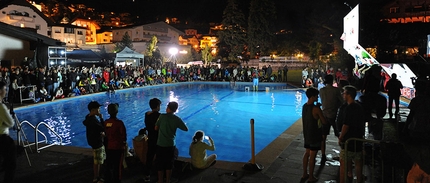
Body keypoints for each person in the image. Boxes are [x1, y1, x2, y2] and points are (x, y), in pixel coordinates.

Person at [155, 102, 188, 183]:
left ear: (168, 108)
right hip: (170, 144)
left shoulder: (162, 116)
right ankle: (168, 180)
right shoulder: (177, 119)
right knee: (169, 164)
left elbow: (156, 128)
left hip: (160, 144)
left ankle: (160, 180)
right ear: (175, 109)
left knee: (160, 164)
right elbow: (185, 129)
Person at [338, 86, 365, 183]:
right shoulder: (359, 106)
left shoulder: (349, 108)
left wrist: (341, 137)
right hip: (358, 139)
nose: (343, 95)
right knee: (358, 163)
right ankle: (359, 180)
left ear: (349, 95)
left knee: (343, 163)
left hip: (348, 140)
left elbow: (346, 125)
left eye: (344, 93)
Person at [301, 88, 326, 183]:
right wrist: (321, 111)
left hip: (307, 134)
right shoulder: (316, 109)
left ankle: (304, 173)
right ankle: (311, 176)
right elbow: (324, 121)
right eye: (317, 96)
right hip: (315, 135)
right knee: (313, 156)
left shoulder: (304, 106)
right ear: (313, 96)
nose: (318, 97)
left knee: (307, 153)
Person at [319, 75, 343, 162]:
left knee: (323, 137)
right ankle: (342, 154)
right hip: (333, 115)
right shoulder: (336, 90)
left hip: (324, 115)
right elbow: (342, 102)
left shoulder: (321, 90)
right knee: (339, 135)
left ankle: (323, 154)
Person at [83, 101, 105, 183]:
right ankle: (96, 177)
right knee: (98, 160)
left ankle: (97, 176)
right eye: (98, 109)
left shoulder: (88, 117)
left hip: (92, 141)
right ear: (93, 110)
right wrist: (101, 118)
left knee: (97, 160)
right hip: (97, 142)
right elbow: (103, 128)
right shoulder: (93, 120)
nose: (99, 110)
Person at [104, 103, 126, 183]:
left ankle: (108, 179)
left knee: (109, 164)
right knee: (117, 166)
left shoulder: (106, 122)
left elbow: (105, 134)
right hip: (118, 148)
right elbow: (123, 136)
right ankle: (117, 180)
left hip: (109, 147)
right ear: (117, 112)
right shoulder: (119, 123)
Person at [0, 81, 16, 183]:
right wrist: (3, 124)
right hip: (2, 137)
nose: (6, 92)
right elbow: (11, 123)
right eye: (5, 89)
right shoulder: (1, 107)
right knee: (11, 164)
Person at [144, 98, 162, 182]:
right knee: (160, 157)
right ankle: (160, 176)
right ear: (158, 106)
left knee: (149, 157)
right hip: (159, 140)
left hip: (150, 138)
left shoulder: (147, 115)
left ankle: (147, 174)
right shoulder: (160, 116)